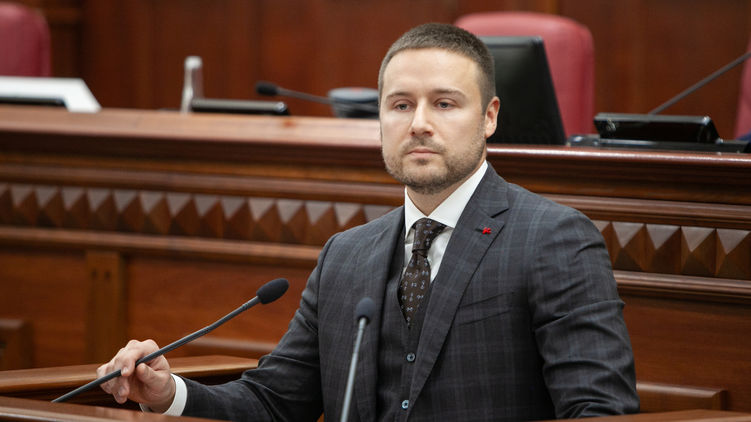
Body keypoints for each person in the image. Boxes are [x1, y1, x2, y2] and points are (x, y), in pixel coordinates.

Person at [98, 23, 640, 421]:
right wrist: (169, 394)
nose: (419, 123)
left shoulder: (554, 240)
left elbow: (600, 410)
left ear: (490, 116)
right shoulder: (347, 254)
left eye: (444, 104)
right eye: (400, 105)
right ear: (379, 118)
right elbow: (275, 401)